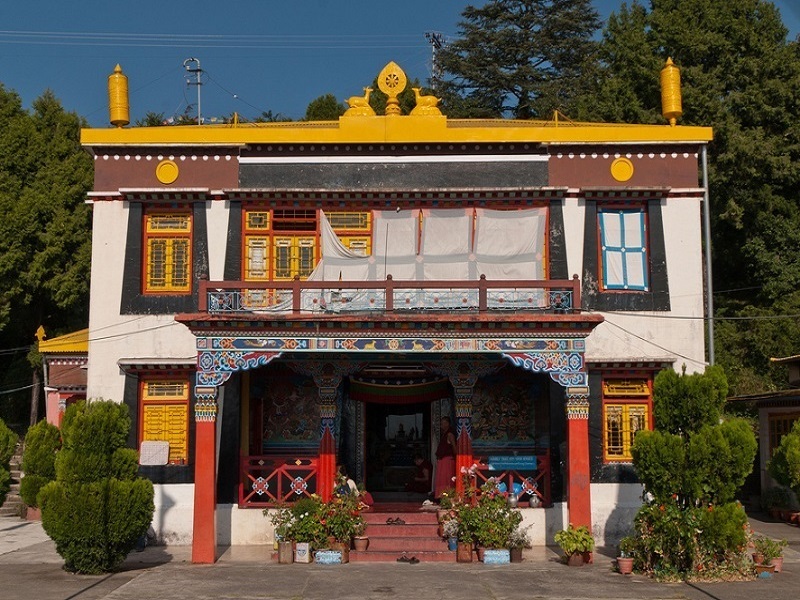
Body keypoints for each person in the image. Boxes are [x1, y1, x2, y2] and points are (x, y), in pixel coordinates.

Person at [434, 416, 457, 499]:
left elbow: (454, 447)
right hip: (443, 460)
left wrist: (456, 457)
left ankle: (448, 496)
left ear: (447, 424)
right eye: (441, 423)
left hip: (448, 460)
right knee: (442, 479)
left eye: (443, 423)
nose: (441, 425)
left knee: (446, 478)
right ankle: (442, 496)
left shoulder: (450, 434)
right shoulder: (444, 434)